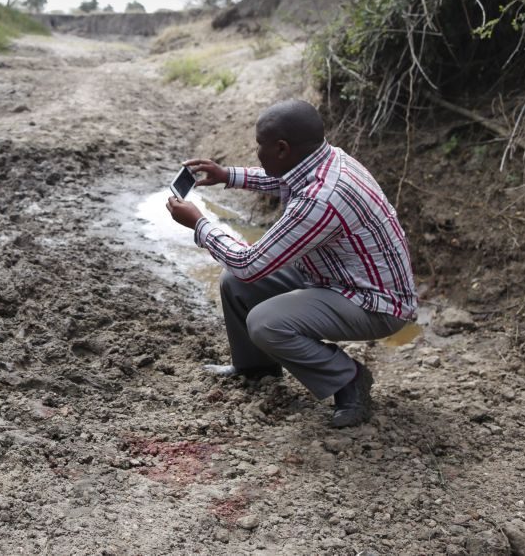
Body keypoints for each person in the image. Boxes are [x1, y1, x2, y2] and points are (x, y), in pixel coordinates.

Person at [166, 99, 417, 428]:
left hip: (378, 303)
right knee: (235, 283)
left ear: (282, 149)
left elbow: (248, 263)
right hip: (337, 275)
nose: (256, 151)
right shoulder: (327, 158)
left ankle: (349, 379)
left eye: (259, 145)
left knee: (265, 321)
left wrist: (200, 224)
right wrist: (227, 175)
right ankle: (257, 367)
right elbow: (283, 180)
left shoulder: (322, 198)